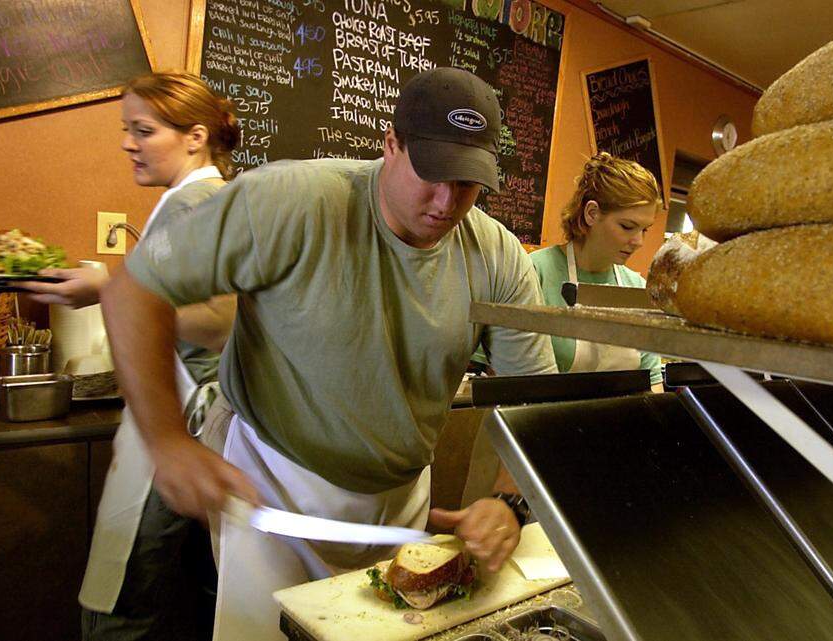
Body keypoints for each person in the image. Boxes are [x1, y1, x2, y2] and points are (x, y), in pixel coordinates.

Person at [99, 67, 558, 641]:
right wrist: (166, 441)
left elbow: (532, 399)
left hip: (400, 500)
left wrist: (510, 502)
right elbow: (133, 289)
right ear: (391, 145)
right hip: (273, 488)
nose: (446, 201)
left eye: (466, 182)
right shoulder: (290, 200)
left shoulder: (497, 256)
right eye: (432, 173)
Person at [20, 71, 241, 641]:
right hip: (190, 419)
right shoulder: (189, 202)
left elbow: (218, 320)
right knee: (203, 595)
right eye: (127, 129)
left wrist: (106, 289)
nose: (127, 143)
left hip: (182, 416)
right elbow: (160, 294)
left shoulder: (198, 202)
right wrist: (111, 285)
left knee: (118, 607)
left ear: (195, 137)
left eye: (142, 130)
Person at [531, 152, 664, 391]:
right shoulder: (535, 272)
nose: (638, 242)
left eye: (645, 230)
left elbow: (652, 382)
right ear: (592, 213)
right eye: (627, 226)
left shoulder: (635, 288)